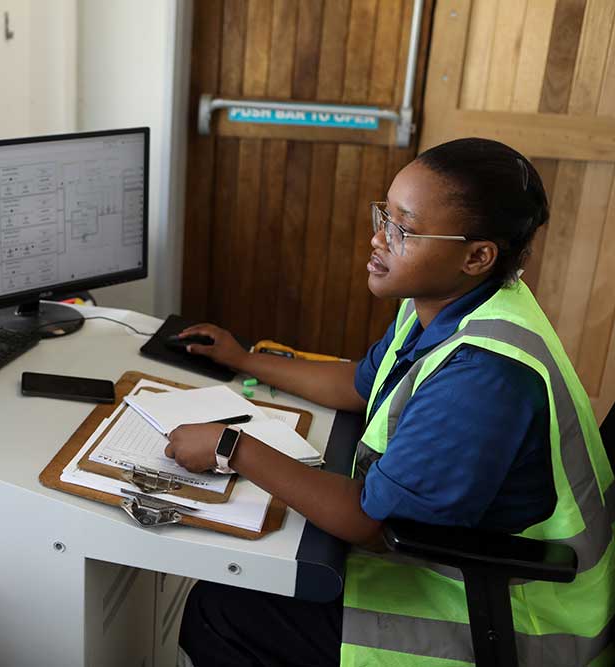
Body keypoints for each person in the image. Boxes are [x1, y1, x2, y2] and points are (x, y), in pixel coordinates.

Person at [169, 138, 614, 666]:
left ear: (477, 256)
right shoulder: (445, 303)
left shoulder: (484, 376)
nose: (378, 238)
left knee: (224, 610)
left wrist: (232, 448)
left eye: (402, 229)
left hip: (509, 618)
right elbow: (358, 384)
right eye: (384, 214)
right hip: (460, 568)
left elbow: (368, 522)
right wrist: (243, 359)